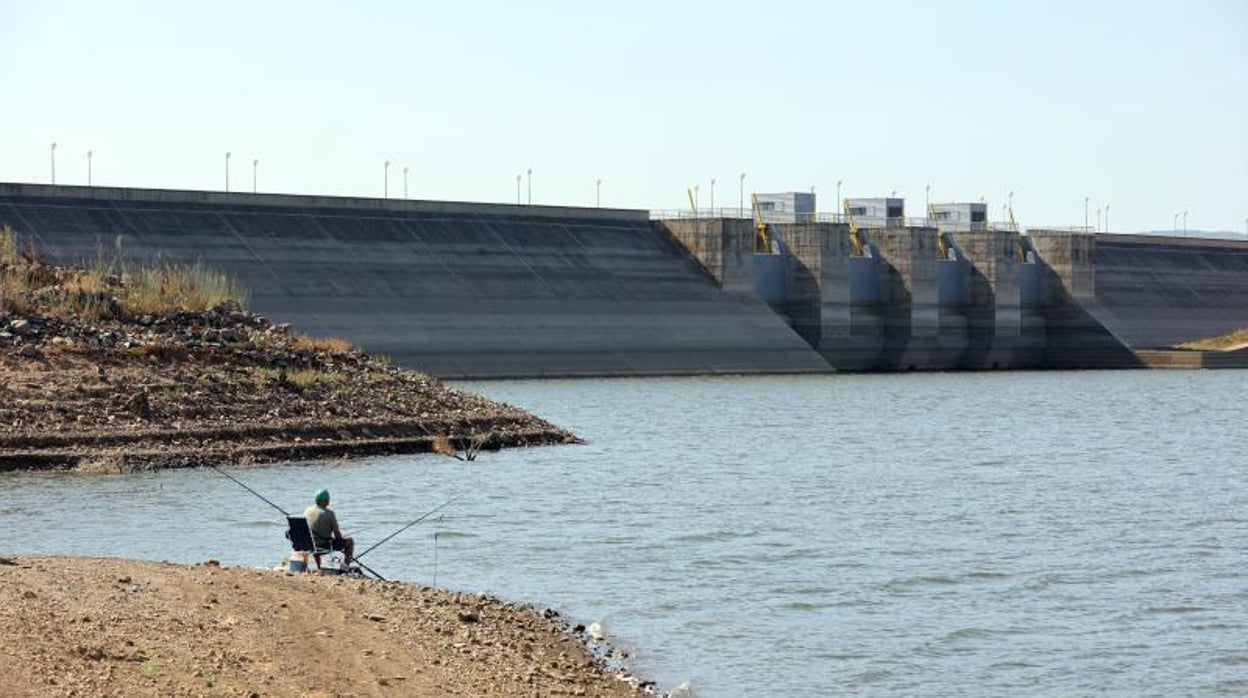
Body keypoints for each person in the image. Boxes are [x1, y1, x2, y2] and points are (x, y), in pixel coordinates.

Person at [304, 488, 354, 567]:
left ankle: (318, 567)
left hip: (308, 545)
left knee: (316, 540)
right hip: (323, 546)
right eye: (328, 500)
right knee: (350, 541)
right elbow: (337, 535)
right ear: (325, 501)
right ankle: (345, 566)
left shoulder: (307, 511)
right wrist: (341, 540)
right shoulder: (329, 513)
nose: (329, 501)